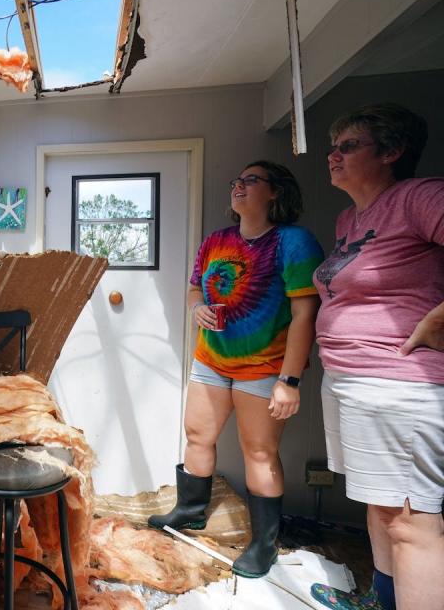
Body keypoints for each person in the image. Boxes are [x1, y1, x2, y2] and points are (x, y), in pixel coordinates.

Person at [148, 160, 324, 578]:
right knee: (197, 435)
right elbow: (195, 286)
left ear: (276, 191)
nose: (239, 186)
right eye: (236, 180)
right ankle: (191, 511)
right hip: (211, 360)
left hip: (264, 369)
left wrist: (290, 380)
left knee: (260, 454)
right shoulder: (216, 240)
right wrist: (196, 308)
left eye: (250, 181)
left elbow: (305, 314)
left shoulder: (293, 242)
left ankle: (264, 546)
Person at [308, 103, 444, 610]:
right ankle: (379, 601)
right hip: (350, 379)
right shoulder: (351, 218)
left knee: (411, 524)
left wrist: (439, 318)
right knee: (382, 509)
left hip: (398, 383)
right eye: (333, 147)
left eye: (348, 146)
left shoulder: (419, 197)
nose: (333, 156)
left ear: (391, 152)